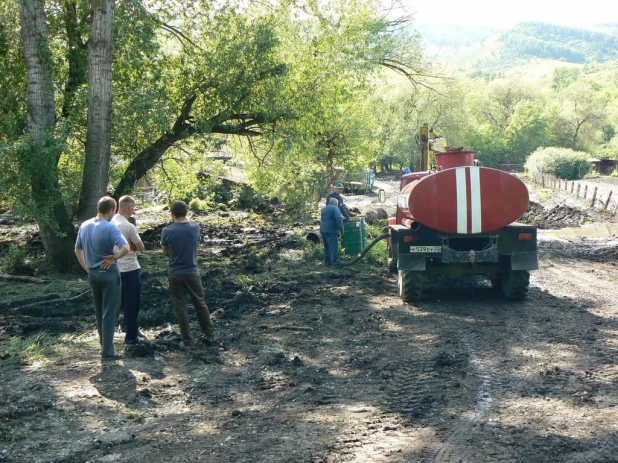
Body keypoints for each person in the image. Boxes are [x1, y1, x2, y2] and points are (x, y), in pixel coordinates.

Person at [75, 196, 130, 360]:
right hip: (109, 274)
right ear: (111, 210)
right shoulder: (110, 227)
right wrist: (114, 257)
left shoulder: (84, 225)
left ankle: (104, 345)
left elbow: (77, 250)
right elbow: (126, 247)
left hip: (93, 273)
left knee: (99, 311)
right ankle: (108, 351)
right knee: (109, 312)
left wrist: (87, 268)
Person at [160, 200, 216, 347]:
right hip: (192, 271)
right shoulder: (195, 227)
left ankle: (187, 339)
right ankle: (209, 334)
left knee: (181, 307)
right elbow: (195, 244)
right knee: (200, 303)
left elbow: (165, 251)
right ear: (187, 212)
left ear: (172, 213)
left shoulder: (167, 231)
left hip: (175, 272)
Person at [111, 195, 146, 344]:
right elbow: (141, 248)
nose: (134, 211)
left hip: (115, 267)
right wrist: (132, 246)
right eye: (134, 208)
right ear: (129, 207)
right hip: (130, 267)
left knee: (120, 300)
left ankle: (131, 328)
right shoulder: (129, 226)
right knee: (132, 301)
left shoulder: (110, 222)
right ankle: (131, 336)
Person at [320, 197, 344, 267]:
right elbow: (338, 219)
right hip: (331, 230)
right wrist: (341, 230)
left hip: (323, 230)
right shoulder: (335, 208)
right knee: (334, 247)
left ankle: (327, 261)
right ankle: (334, 263)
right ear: (336, 203)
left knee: (326, 246)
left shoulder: (324, 209)